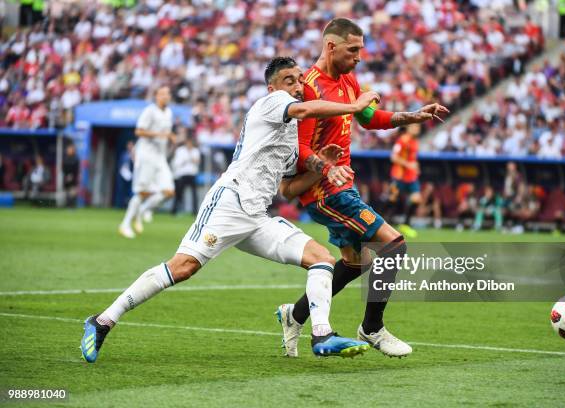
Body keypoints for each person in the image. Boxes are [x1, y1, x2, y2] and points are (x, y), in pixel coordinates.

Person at [80, 57, 381, 363]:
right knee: (183, 266)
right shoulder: (271, 102)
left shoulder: (291, 136)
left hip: (257, 217)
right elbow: (304, 109)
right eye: (289, 80)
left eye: (300, 79)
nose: (298, 85)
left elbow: (288, 190)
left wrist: (322, 167)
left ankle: (322, 335)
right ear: (273, 86)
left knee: (322, 259)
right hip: (229, 202)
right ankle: (102, 321)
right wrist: (355, 107)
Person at [277, 18, 449, 358]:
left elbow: (369, 118)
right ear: (331, 47)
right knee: (394, 244)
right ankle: (372, 328)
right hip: (324, 191)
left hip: (342, 185)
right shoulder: (308, 86)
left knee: (355, 263)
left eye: (361, 49)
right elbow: (302, 148)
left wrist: (412, 116)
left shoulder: (347, 80)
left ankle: (294, 315)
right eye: (353, 49)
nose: (360, 56)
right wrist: (327, 168)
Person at [119, 86, 176, 238]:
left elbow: (166, 134)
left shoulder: (169, 112)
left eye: (167, 93)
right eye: (162, 93)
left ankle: (142, 211)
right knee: (143, 191)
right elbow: (139, 131)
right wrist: (161, 134)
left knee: (169, 191)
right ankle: (125, 224)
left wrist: (170, 137)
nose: (165, 96)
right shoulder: (150, 111)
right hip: (146, 156)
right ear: (156, 96)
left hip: (160, 157)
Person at [390, 124, 422, 238]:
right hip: (399, 175)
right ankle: (380, 223)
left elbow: (412, 159)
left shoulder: (415, 141)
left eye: (418, 127)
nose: (417, 129)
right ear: (408, 127)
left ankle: (405, 224)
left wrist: (416, 168)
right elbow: (393, 157)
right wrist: (409, 165)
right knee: (392, 200)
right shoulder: (402, 140)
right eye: (415, 127)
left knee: (416, 198)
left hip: (411, 176)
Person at [171, 137, 200, 216]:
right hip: (182, 175)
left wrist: (189, 160)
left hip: (192, 174)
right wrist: (187, 160)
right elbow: (177, 163)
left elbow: (197, 161)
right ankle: (174, 210)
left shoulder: (195, 150)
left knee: (194, 194)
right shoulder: (180, 150)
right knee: (178, 193)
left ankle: (195, 212)